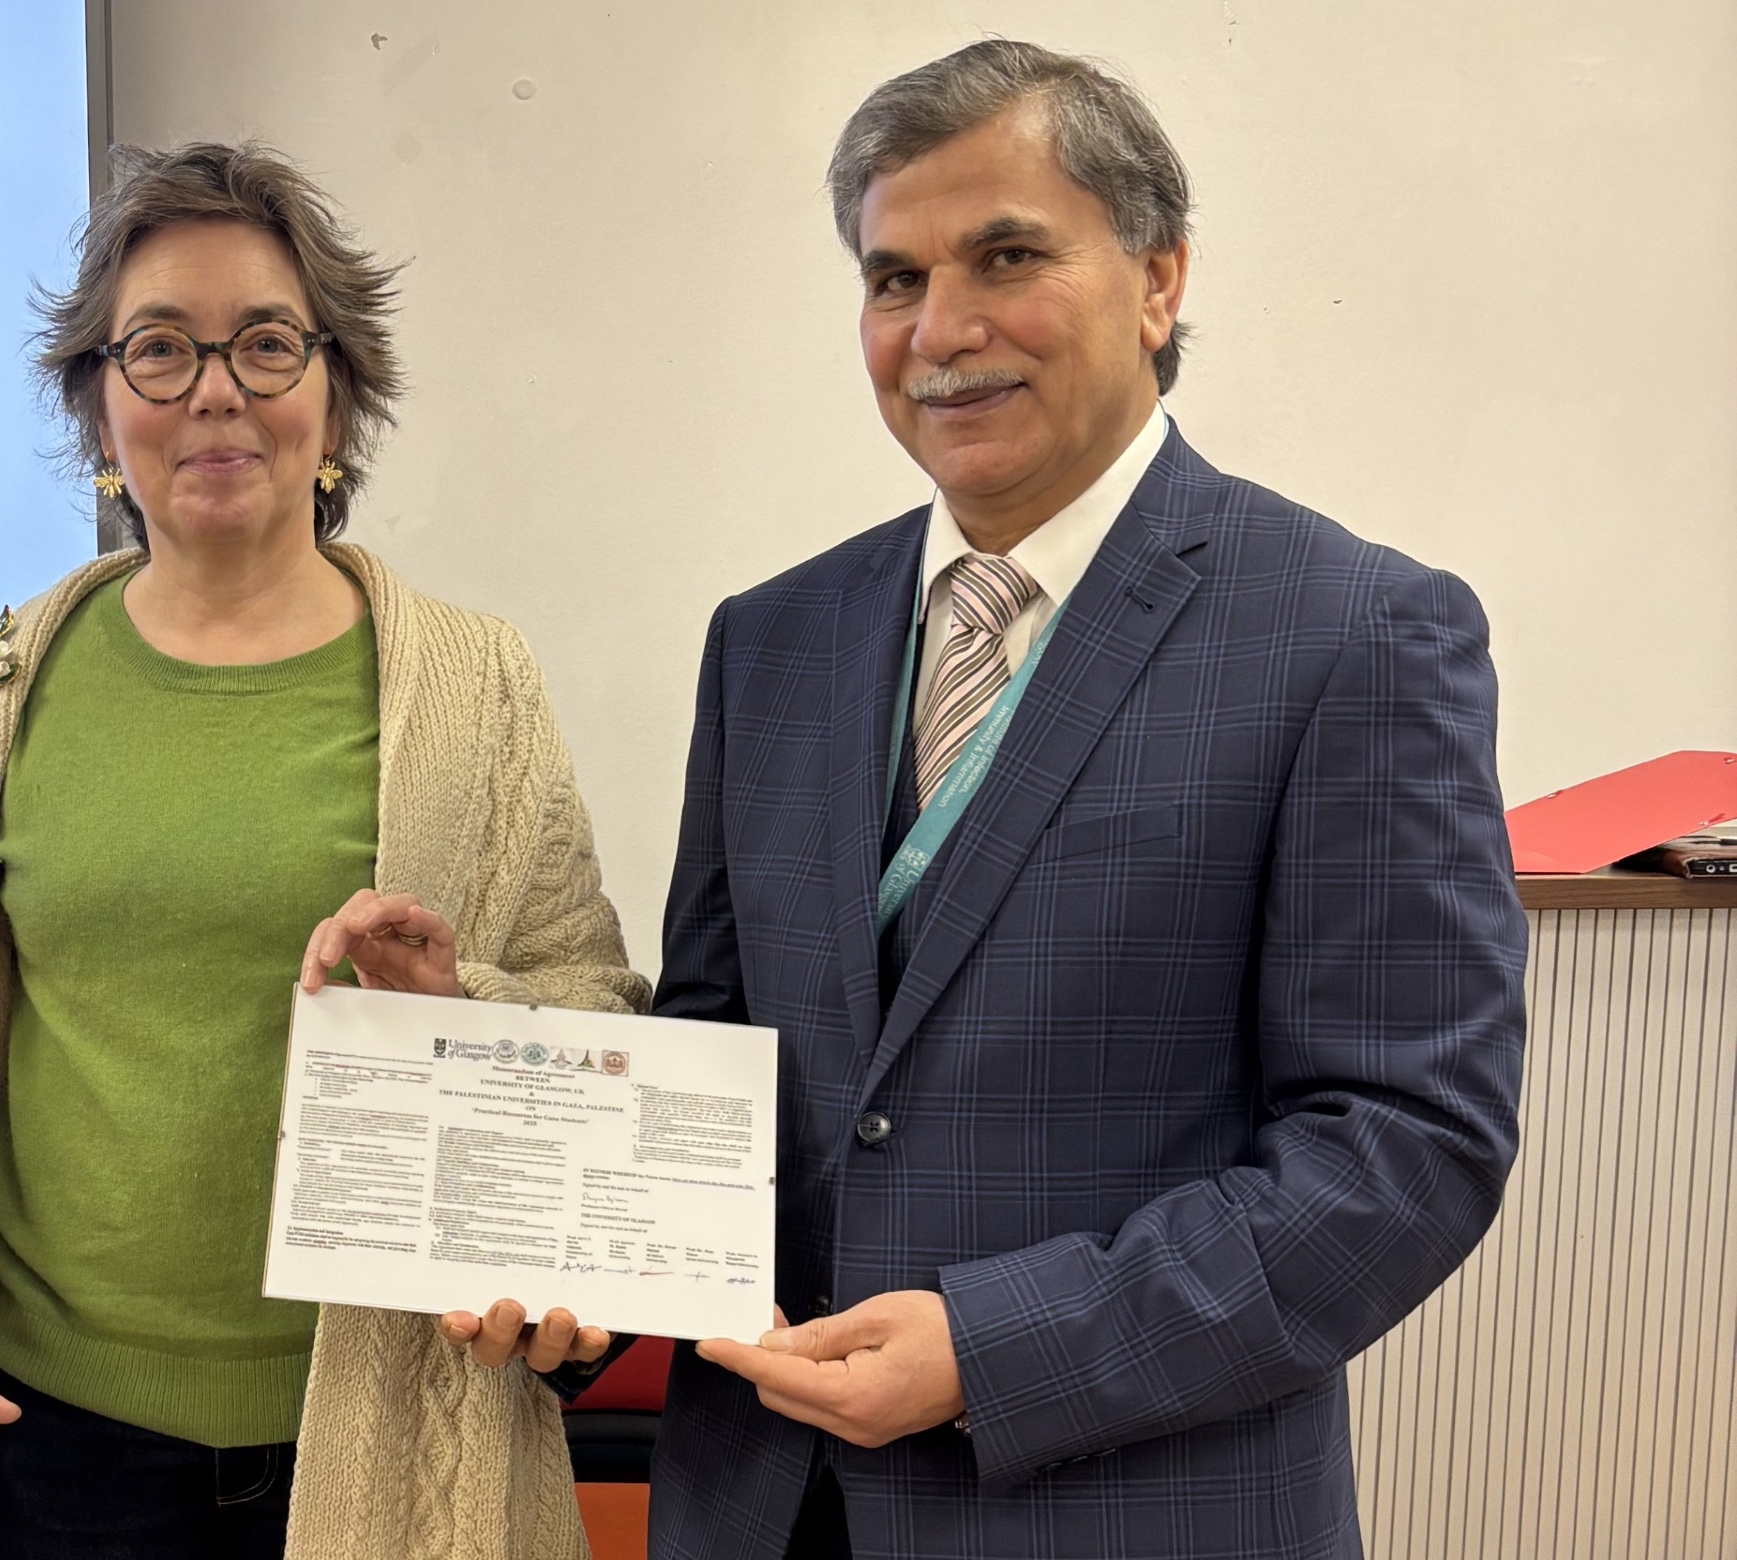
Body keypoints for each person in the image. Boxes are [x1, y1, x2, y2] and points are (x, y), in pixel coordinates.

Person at [647, 42, 1526, 1559]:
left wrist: (994, 1351)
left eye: (1003, 257)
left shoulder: (1352, 631)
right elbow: (716, 1050)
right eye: (890, 277)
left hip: (1126, 1506)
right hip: (761, 1507)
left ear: (1155, 279)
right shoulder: (769, 639)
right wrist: (555, 1258)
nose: (939, 330)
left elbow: (1399, 1148)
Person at [0, 142, 645, 1560]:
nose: (213, 387)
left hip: (378, 1406)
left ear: (333, 393)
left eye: (264, 343)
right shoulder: (5, 671)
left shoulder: (474, 678)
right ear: (98, 411)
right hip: (58, 1432)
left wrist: (453, 1011)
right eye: (156, 348)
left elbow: (585, 997)